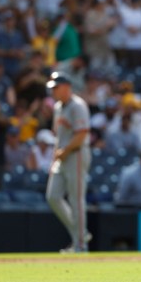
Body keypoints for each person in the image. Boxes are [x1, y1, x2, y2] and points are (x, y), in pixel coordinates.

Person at [45, 72, 92, 253]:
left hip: (77, 154)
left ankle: (80, 244)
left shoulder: (78, 105)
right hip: (62, 156)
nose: (54, 91)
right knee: (53, 196)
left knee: (76, 199)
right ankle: (80, 232)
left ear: (67, 87)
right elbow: (58, 135)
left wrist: (65, 151)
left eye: (56, 87)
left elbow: (82, 134)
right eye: (53, 88)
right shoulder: (58, 107)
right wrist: (56, 156)